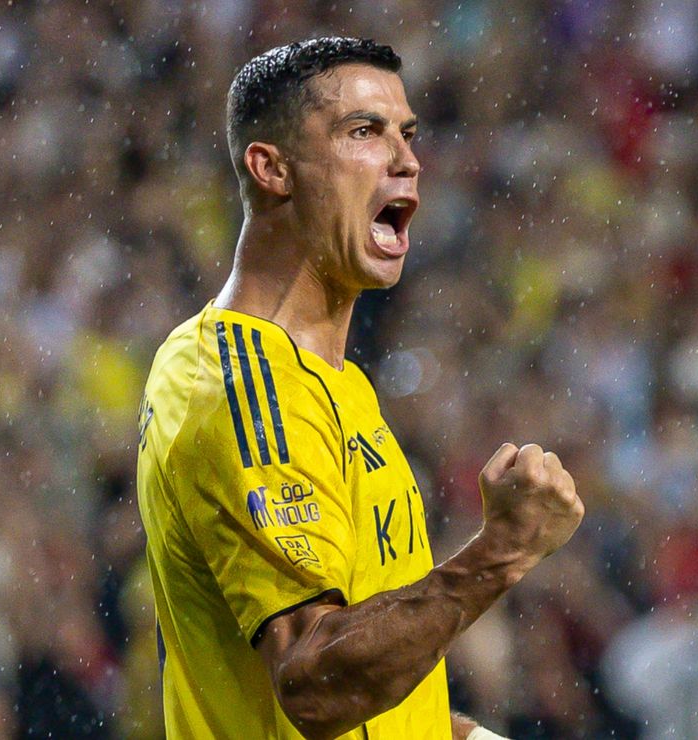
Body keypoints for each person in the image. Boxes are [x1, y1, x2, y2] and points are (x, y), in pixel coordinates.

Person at [136, 37, 584, 740]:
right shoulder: (239, 385)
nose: (407, 160)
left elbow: (377, 678)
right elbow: (315, 684)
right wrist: (501, 551)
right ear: (272, 169)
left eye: (408, 134)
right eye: (364, 132)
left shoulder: (333, 382)